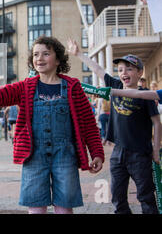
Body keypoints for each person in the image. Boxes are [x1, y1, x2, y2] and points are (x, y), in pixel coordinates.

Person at [0, 36, 104, 214]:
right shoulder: (25, 87)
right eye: (36, 54)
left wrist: (96, 152)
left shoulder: (73, 87)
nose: (39, 58)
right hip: (33, 155)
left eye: (46, 54)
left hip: (65, 155)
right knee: (36, 208)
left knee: (65, 208)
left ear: (58, 59)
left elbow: (89, 124)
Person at [68, 38, 161, 214]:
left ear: (140, 72)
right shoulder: (116, 85)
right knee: (117, 196)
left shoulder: (146, 95)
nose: (124, 72)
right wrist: (79, 54)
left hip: (140, 154)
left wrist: (156, 150)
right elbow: (98, 69)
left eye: (129, 69)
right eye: (120, 70)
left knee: (146, 196)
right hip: (118, 153)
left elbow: (157, 122)